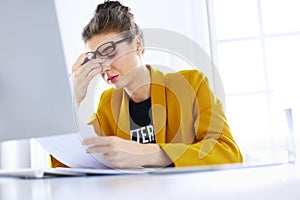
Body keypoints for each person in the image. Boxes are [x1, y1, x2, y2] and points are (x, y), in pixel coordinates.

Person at [51, 0, 243, 169]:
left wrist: (149, 153)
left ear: (137, 45)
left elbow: (228, 152)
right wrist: (76, 97)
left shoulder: (192, 84)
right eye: (97, 59)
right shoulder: (107, 103)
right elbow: (67, 164)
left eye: (110, 53)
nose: (105, 67)